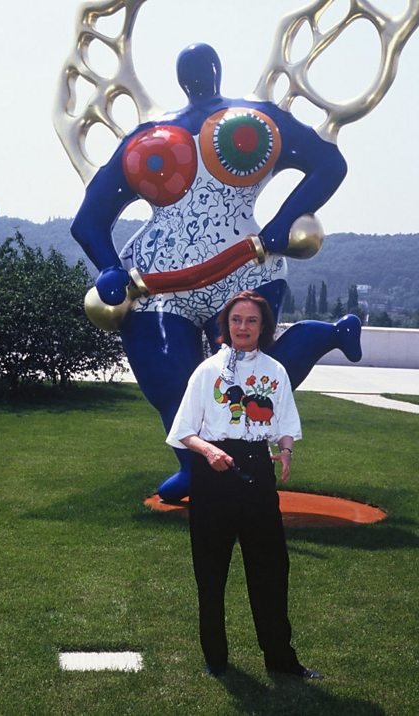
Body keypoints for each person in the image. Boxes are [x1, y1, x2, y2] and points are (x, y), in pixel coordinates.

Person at [71, 42, 360, 502]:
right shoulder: (153, 134)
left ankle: (320, 337)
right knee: (169, 382)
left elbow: (329, 164)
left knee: (247, 375)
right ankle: (195, 465)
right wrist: (109, 268)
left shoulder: (254, 119)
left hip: (244, 270)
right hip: (158, 283)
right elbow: (88, 219)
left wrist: (285, 222)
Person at [166, 290, 323, 679]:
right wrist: (209, 452)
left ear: (263, 327)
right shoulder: (206, 372)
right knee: (211, 569)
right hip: (213, 473)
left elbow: (285, 424)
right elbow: (184, 431)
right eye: (237, 320)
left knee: (271, 568)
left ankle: (281, 661)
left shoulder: (275, 371)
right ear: (226, 325)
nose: (243, 327)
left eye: (251, 321)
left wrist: (286, 450)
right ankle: (216, 661)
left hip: (256, 471)